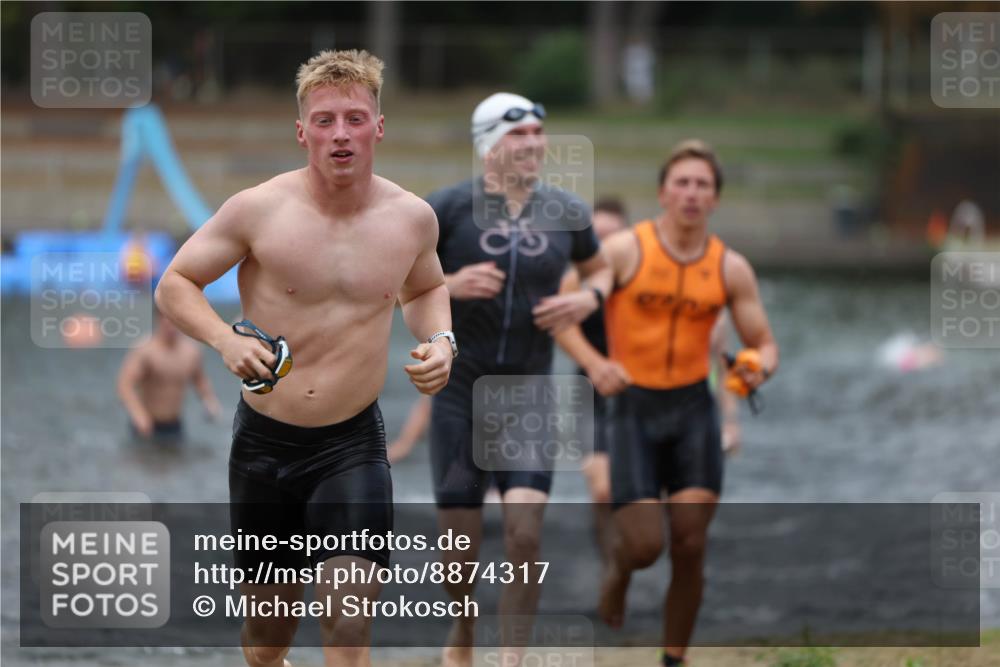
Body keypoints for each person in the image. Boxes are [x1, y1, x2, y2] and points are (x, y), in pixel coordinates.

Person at [154, 50, 454, 667]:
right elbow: (175, 282)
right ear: (301, 132)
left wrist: (442, 341)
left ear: (378, 126)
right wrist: (225, 339)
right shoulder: (257, 210)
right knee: (269, 641)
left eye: (353, 118)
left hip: (352, 447)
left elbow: (425, 290)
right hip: (265, 447)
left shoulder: (411, 218)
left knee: (348, 623)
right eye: (324, 120)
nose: (339, 133)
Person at [556, 140, 778, 666]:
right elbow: (562, 311)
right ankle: (618, 571)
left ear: (715, 199)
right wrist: (594, 363)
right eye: (682, 182)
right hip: (633, 410)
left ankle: (673, 656)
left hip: (692, 412)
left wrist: (754, 370)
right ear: (663, 192)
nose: (692, 193)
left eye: (703, 184)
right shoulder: (626, 250)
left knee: (690, 544)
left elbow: (763, 343)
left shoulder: (730, 268)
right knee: (643, 546)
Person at [426, 92, 612, 666]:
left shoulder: (568, 212)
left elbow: (599, 267)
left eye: (538, 133)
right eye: (519, 135)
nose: (533, 144)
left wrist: (588, 298)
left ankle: (511, 659)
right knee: (461, 548)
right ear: (488, 145)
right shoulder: (447, 209)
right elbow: (397, 280)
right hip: (461, 395)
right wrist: (450, 285)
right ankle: (462, 628)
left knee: (525, 536)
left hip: (529, 394)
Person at [553, 196, 628, 566]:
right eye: (600, 238)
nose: (608, 246)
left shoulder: (640, 277)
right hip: (591, 389)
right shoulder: (576, 280)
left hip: (642, 390)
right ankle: (609, 562)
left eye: (614, 236)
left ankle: (636, 554)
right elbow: (559, 326)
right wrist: (596, 365)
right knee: (602, 490)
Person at [117, 314, 221, 445]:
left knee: (177, 463)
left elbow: (199, 380)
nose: (171, 328)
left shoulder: (191, 351)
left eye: (175, 323)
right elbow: (125, 385)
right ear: (158, 321)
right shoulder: (145, 350)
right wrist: (138, 414)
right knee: (143, 463)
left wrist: (209, 401)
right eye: (167, 323)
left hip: (174, 425)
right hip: (147, 424)